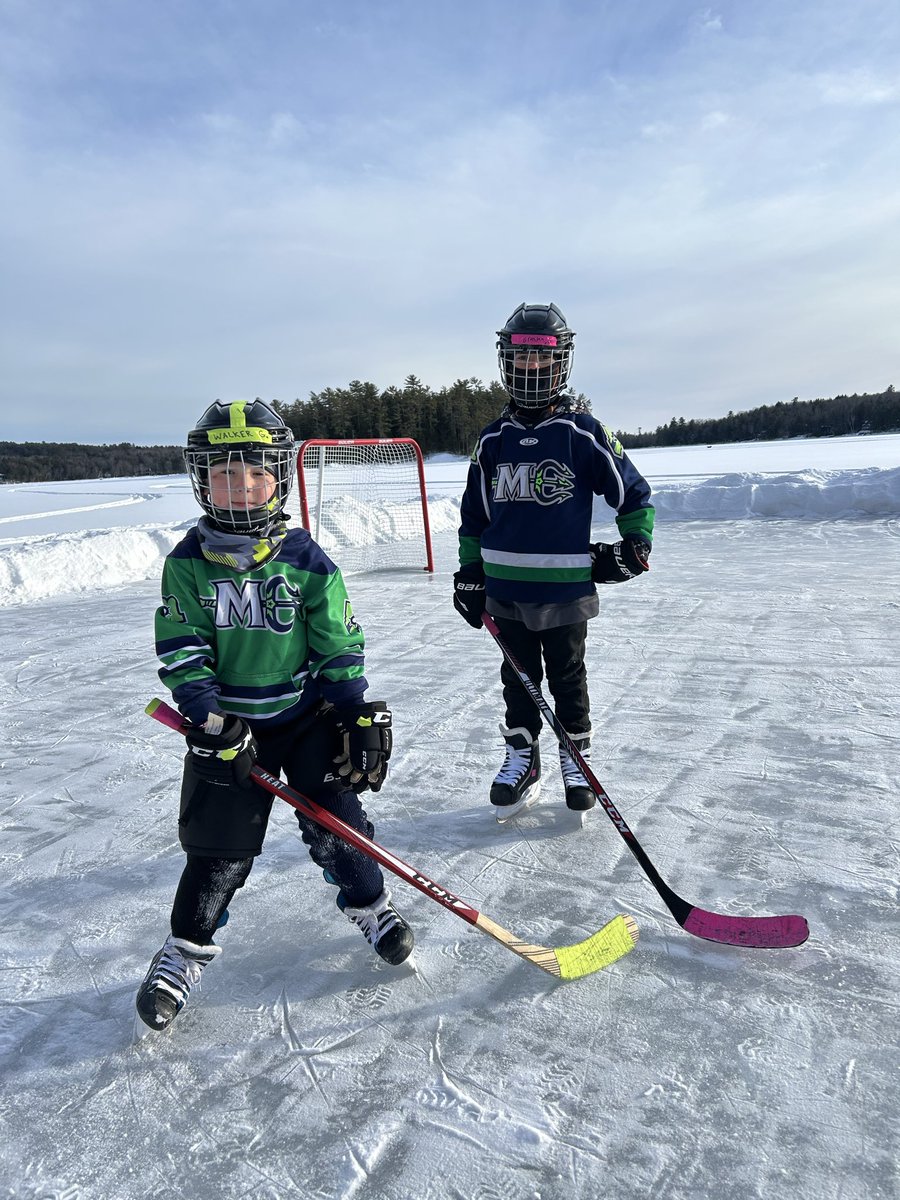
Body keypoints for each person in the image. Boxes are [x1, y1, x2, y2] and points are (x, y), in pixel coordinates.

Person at [136, 399, 413, 1032]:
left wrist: (350, 710)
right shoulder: (186, 563)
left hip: (303, 715)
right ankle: (183, 953)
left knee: (336, 820)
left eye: (254, 473)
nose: (239, 487)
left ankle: (371, 906)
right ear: (200, 479)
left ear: (278, 477)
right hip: (229, 728)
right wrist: (206, 719)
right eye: (223, 474)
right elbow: (183, 648)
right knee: (218, 848)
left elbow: (336, 641)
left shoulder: (305, 557)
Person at [453, 303, 655, 821]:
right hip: (504, 589)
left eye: (541, 357)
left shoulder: (581, 432)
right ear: (506, 361)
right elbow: (474, 515)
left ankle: (574, 754)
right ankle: (523, 756)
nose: (530, 367)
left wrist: (635, 547)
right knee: (518, 679)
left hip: (565, 590)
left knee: (567, 676)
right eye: (520, 356)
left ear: (560, 361)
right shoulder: (492, 439)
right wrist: (469, 573)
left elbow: (632, 494)